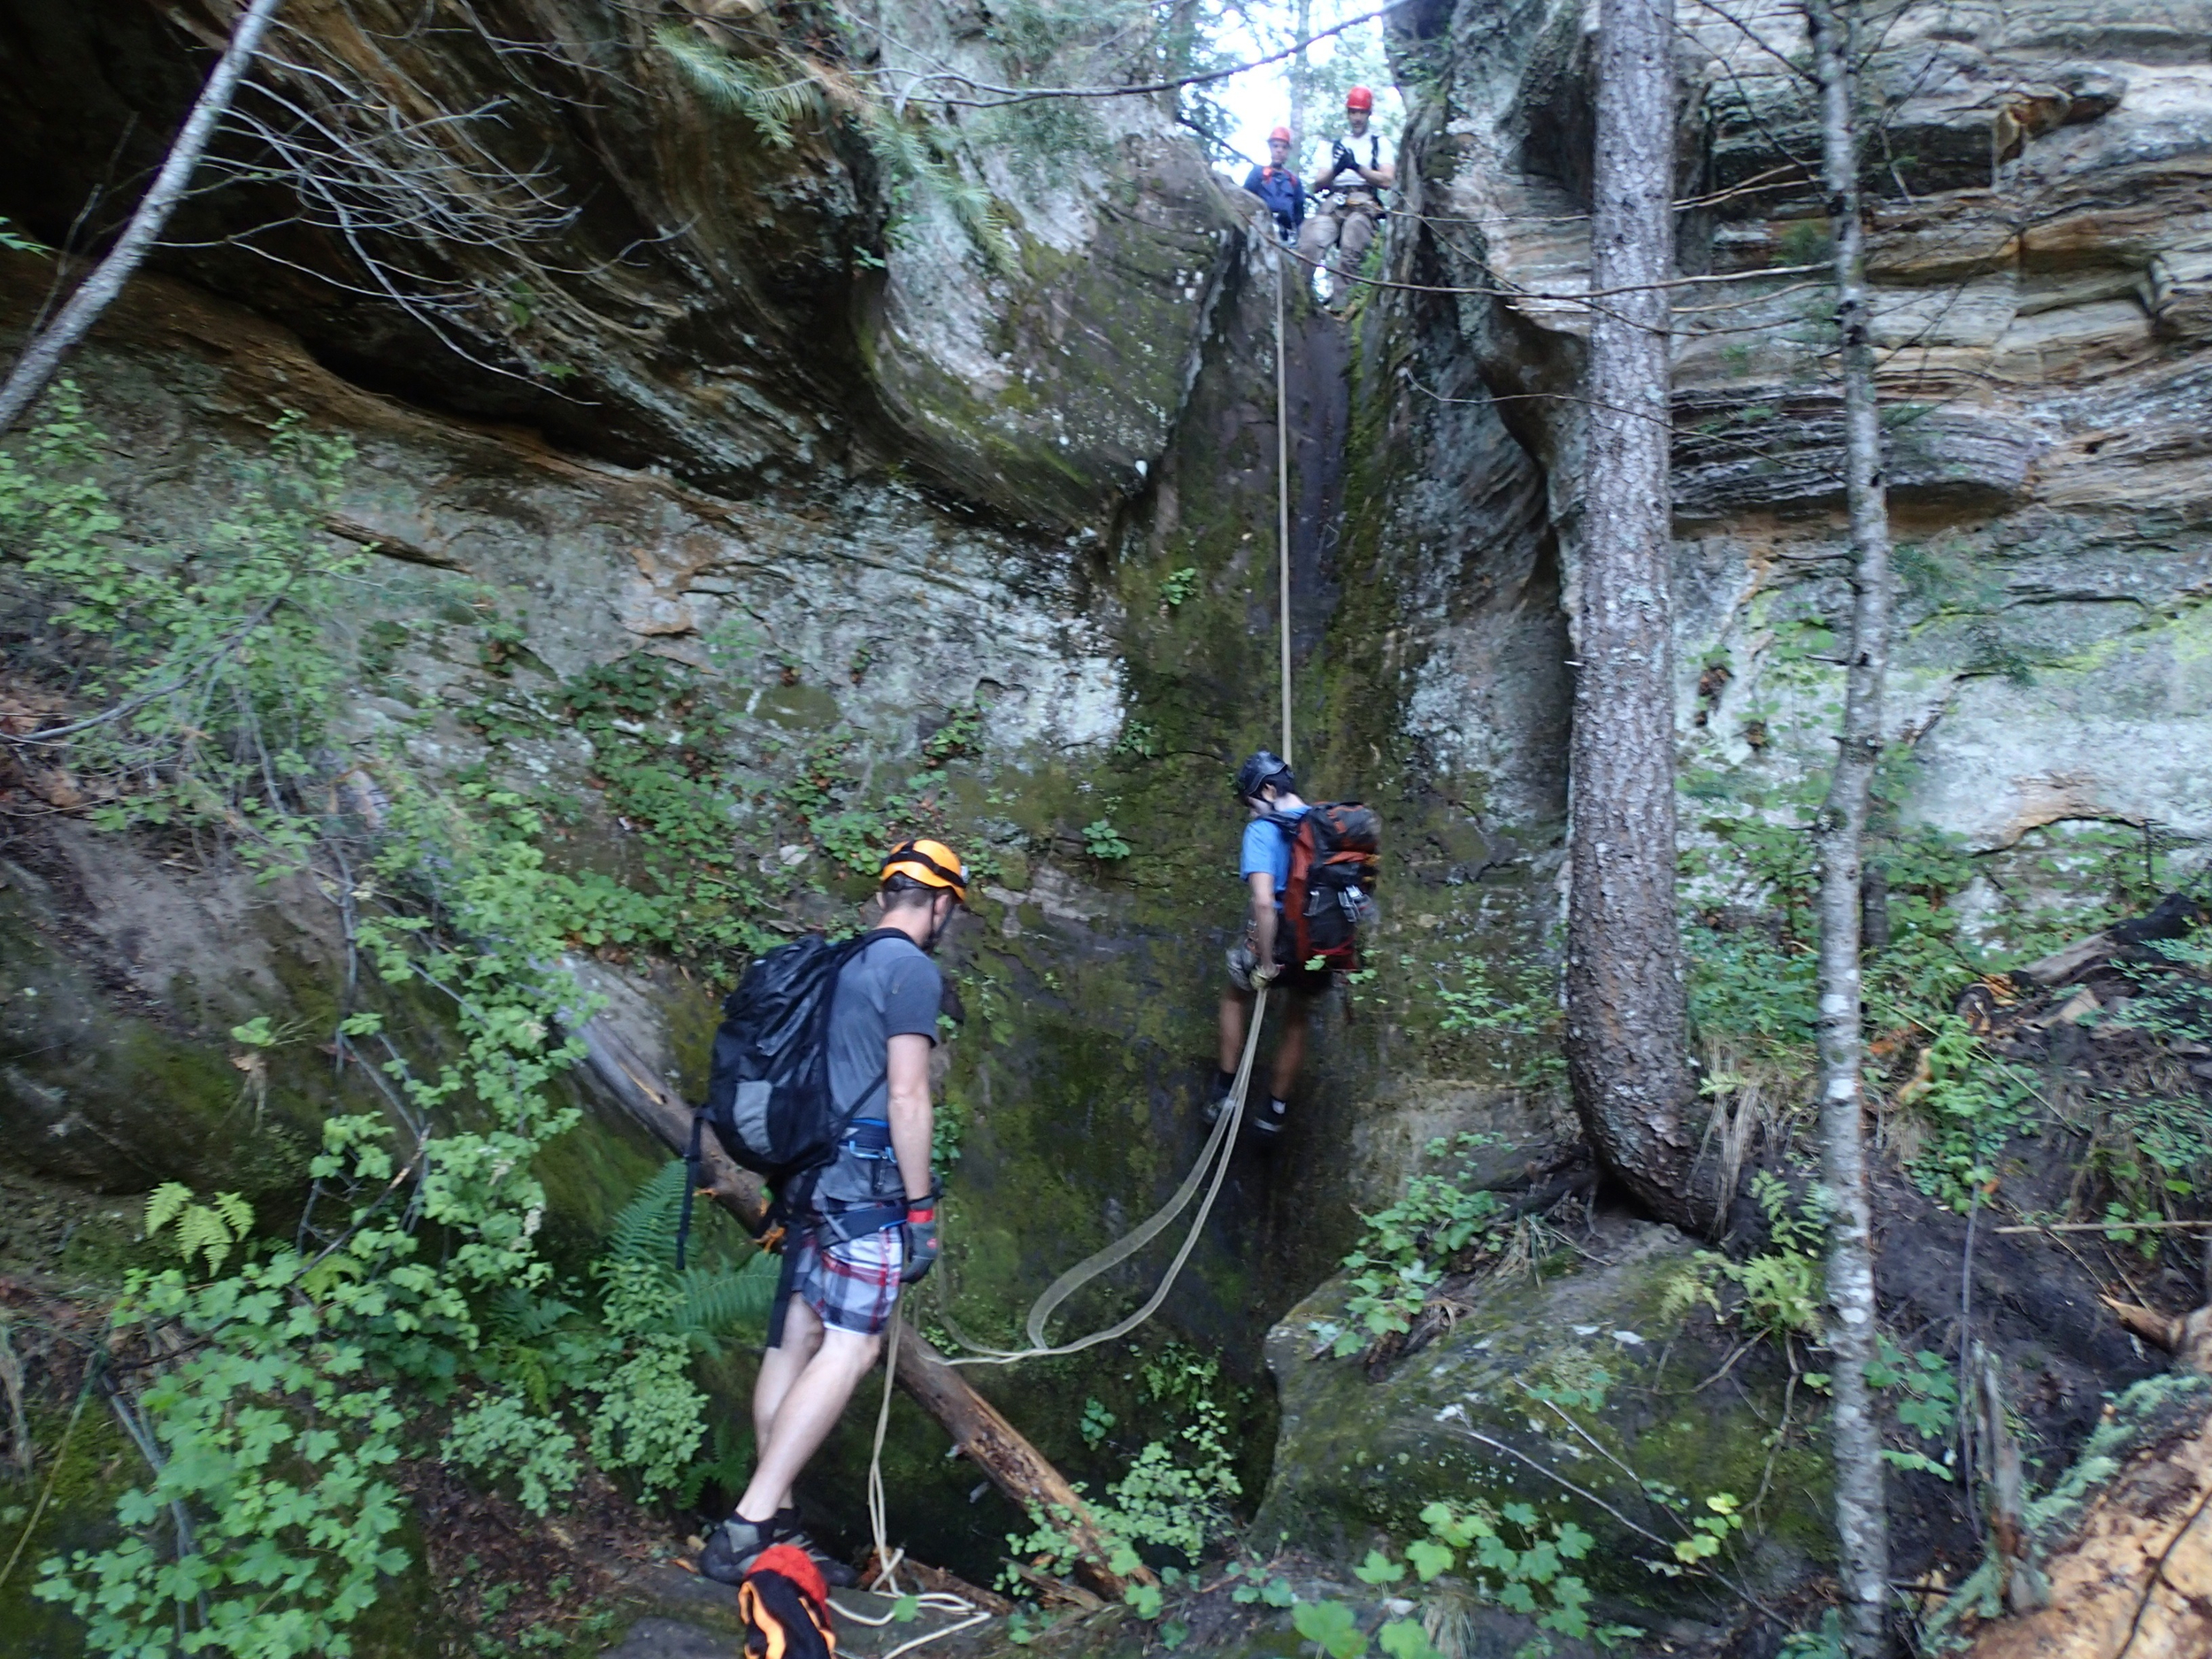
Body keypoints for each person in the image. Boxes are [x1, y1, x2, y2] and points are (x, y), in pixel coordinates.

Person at [700, 839, 966, 1586]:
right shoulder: (912, 971)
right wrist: (918, 1209)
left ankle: (777, 1519)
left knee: (795, 1339)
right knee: (851, 1347)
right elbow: (908, 1095)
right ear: (940, 903)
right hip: (867, 1193)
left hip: (812, 1185)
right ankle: (749, 1523)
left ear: (890, 894)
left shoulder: (843, 960)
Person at [1208, 751, 1330, 1139]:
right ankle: (1274, 1112)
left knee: (1233, 995)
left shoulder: (1262, 831)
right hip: (1318, 944)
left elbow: (1264, 903)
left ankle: (1225, 1093)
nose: (1249, 811)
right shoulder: (1325, 824)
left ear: (1269, 789)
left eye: (1250, 802)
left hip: (1278, 942)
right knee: (1297, 1016)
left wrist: (1265, 962)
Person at [1298, 86, 1396, 309]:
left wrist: (1358, 168)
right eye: (1353, 112)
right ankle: (1299, 295)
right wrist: (1338, 169)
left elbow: (1387, 180)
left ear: (1369, 113)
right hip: (1335, 200)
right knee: (1312, 238)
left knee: (1354, 236)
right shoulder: (1335, 146)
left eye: (1361, 112)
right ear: (1348, 113)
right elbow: (1318, 183)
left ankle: (1340, 305)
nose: (1357, 118)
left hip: (1364, 199)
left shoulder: (1379, 143)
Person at [1242, 126, 1306, 245]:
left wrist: (1299, 236)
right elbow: (1245, 198)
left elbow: (1299, 215)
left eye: (1284, 147)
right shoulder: (1258, 173)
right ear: (1270, 148)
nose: (1279, 150)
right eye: (1275, 146)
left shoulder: (1294, 181)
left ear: (1288, 151)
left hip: (1285, 234)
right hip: (1261, 227)